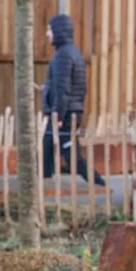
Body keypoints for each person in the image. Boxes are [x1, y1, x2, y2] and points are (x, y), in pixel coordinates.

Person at [41, 14, 107, 187]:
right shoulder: (71, 53)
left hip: (65, 114)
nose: (47, 34)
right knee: (46, 151)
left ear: (58, 31)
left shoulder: (63, 56)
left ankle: (99, 184)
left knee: (70, 156)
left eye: (49, 29)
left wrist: (58, 114)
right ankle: (43, 185)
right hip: (69, 111)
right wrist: (45, 90)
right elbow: (64, 86)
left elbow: (64, 90)